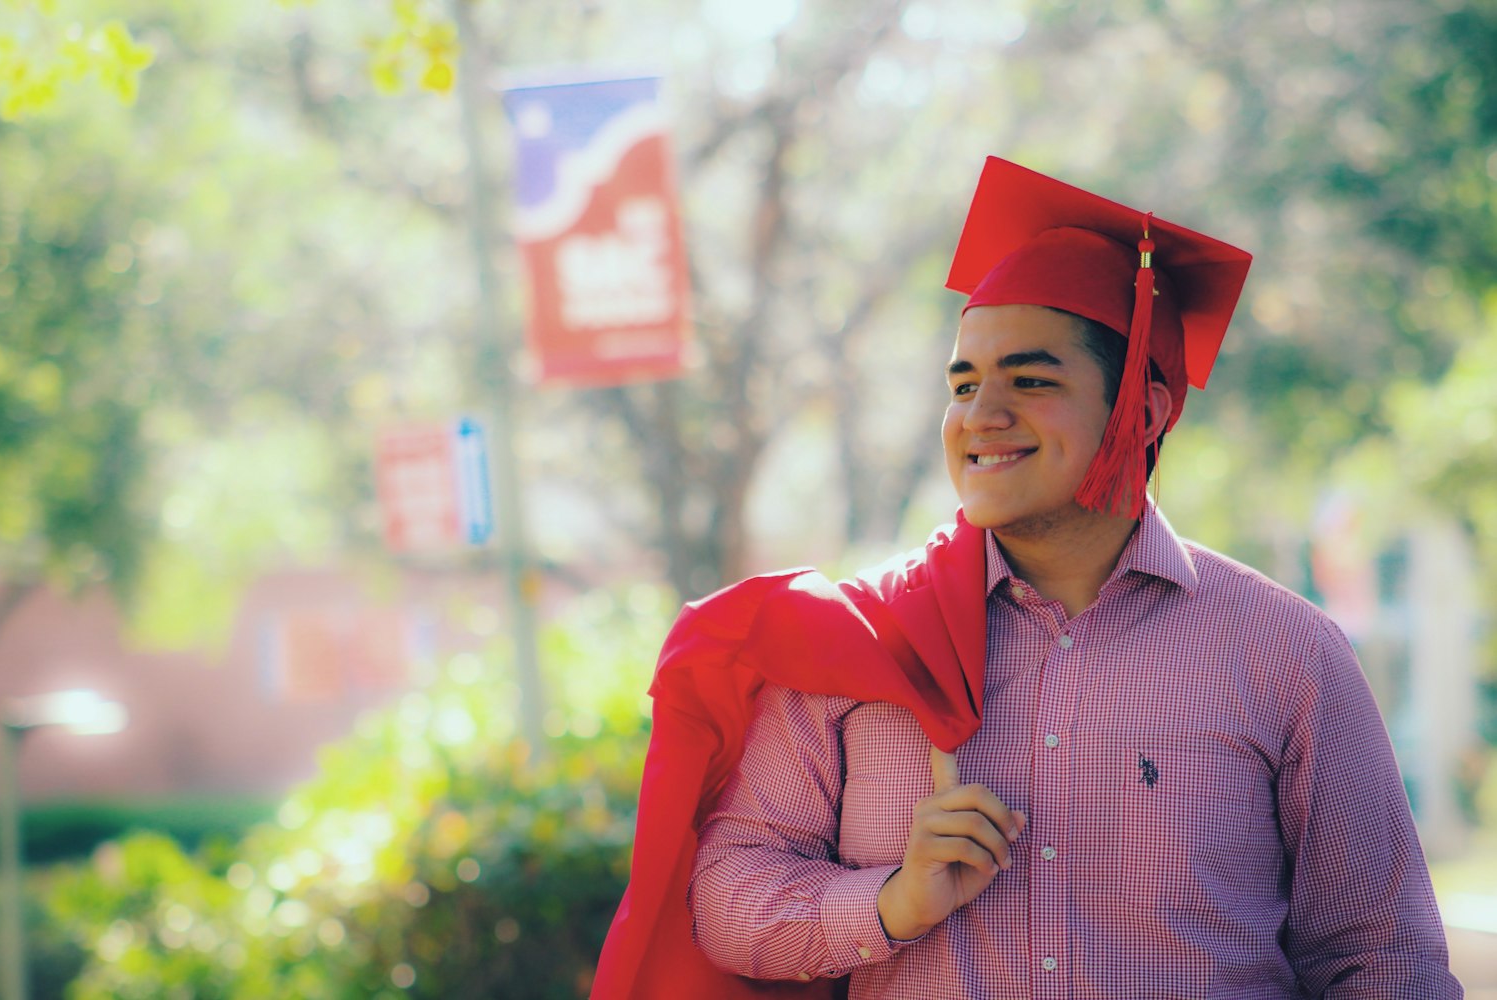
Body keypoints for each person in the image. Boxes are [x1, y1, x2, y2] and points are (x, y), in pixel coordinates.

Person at [590, 157, 1462, 999]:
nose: (981, 417)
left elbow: (1384, 960)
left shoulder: (1285, 652)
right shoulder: (862, 642)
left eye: (1030, 380)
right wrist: (891, 901)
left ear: (1143, 409)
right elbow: (727, 899)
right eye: (963, 385)